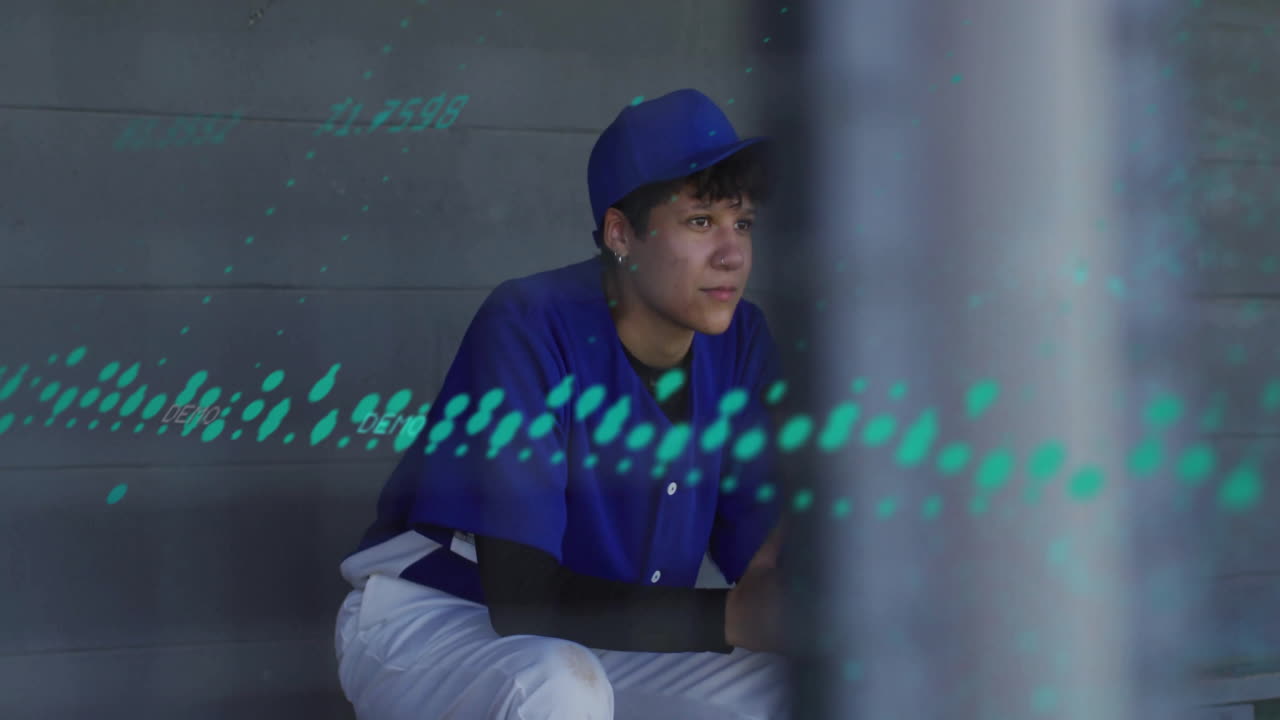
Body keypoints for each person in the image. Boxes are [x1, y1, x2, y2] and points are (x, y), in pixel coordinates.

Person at [334, 88, 792, 720]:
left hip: (612, 636)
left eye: (742, 223)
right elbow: (522, 598)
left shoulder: (741, 341)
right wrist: (735, 615)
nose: (732, 253)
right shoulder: (529, 323)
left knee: (798, 688)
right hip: (435, 617)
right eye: (700, 221)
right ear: (620, 233)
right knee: (560, 687)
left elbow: (760, 558)